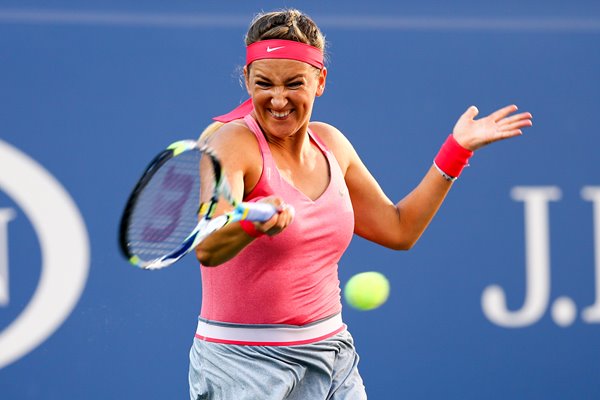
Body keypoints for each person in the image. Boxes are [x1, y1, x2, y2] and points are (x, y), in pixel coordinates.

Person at [189, 8, 532, 400]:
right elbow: (207, 246)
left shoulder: (332, 144)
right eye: (264, 83)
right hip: (243, 366)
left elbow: (399, 229)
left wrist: (457, 150)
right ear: (247, 79)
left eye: (293, 84)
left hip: (331, 355)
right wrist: (253, 222)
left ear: (320, 81)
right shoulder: (232, 145)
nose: (278, 98)